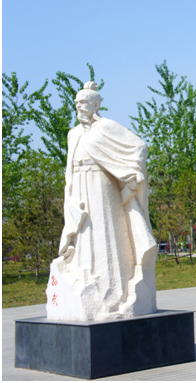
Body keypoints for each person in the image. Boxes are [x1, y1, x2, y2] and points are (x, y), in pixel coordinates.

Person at [45, 82, 157, 321]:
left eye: (84, 102)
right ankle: (85, 279)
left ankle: (112, 292)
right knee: (85, 234)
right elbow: (69, 168)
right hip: (80, 187)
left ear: (96, 105)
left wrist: (130, 171)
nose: (79, 106)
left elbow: (139, 146)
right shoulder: (73, 134)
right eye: (77, 102)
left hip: (102, 186)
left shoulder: (106, 127)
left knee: (106, 232)